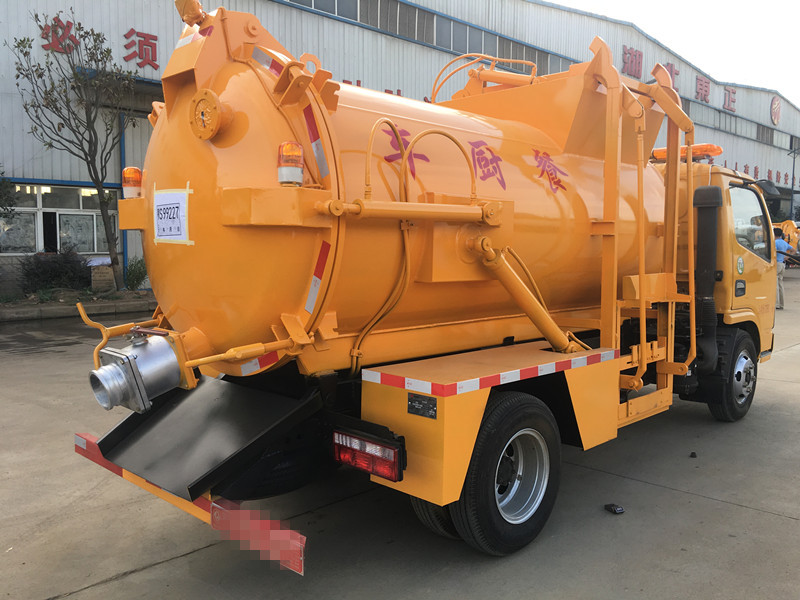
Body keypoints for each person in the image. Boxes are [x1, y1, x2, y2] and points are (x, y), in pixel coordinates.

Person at [774, 227, 794, 309]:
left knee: (775, 284)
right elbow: (793, 250)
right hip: (782, 264)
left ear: (774, 234)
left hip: (776, 264)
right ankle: (781, 304)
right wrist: (787, 257)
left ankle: (776, 304)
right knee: (780, 284)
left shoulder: (775, 242)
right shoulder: (784, 243)